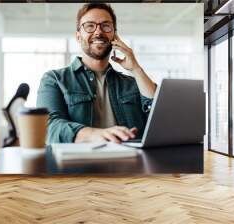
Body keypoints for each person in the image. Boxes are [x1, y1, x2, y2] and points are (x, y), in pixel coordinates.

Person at [37, 3, 156, 144]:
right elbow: (48, 126)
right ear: (78, 36)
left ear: (114, 36)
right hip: (79, 163)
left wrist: (136, 69)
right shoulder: (55, 79)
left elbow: (160, 117)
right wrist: (96, 134)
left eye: (106, 26)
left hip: (130, 162)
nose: (98, 32)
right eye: (89, 26)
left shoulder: (133, 83)